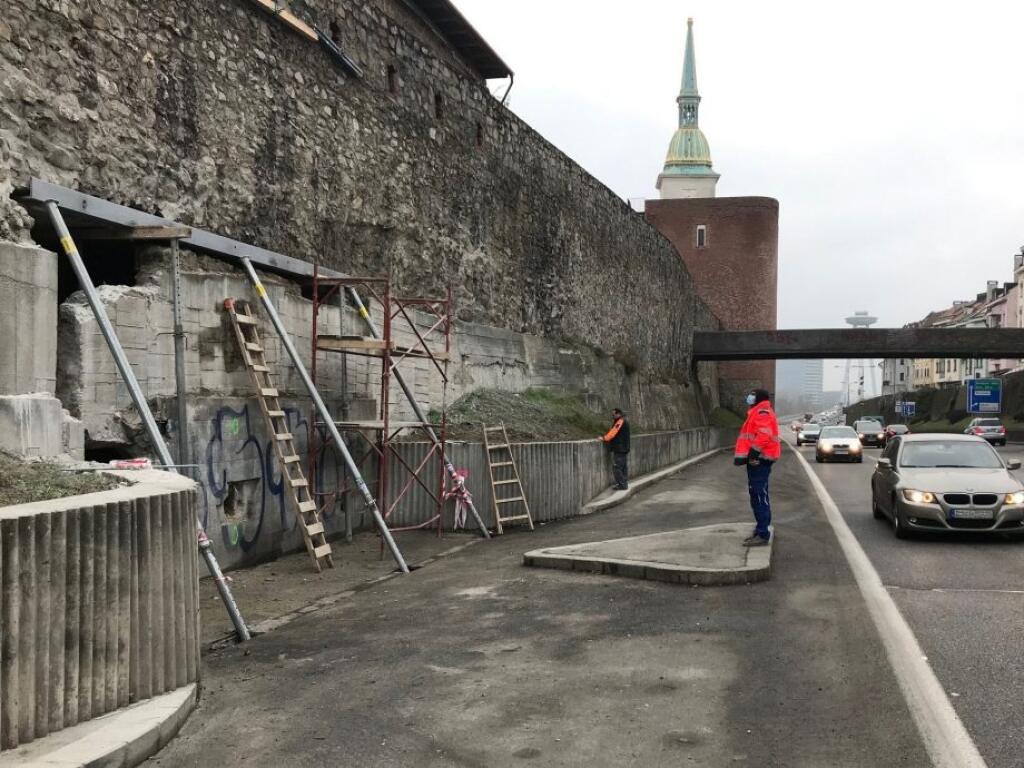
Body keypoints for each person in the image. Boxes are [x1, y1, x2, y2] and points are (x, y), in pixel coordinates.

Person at [734, 389, 781, 546]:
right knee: (758, 494)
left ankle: (762, 533)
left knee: (759, 495)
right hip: (758, 459)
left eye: (753, 394)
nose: (749, 397)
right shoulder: (757, 411)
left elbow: (764, 435)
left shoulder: (762, 411)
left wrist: (753, 455)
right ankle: (761, 528)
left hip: (760, 460)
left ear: (759, 398)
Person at [601, 408, 631, 490]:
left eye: (613, 415)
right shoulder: (622, 421)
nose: (612, 416)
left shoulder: (620, 421)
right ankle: (624, 484)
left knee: (617, 467)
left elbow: (613, 432)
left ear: (618, 414)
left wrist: (604, 438)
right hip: (623, 448)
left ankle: (622, 485)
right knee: (623, 468)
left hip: (620, 448)